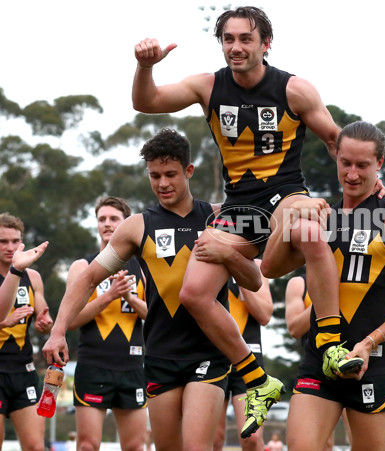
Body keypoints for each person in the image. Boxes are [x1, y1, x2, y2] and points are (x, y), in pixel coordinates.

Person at [132, 9, 371, 435]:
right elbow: (145, 102)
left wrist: (360, 196)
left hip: (285, 197)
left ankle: (332, 344)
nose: (236, 47)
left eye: (246, 39)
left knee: (311, 224)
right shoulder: (207, 86)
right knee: (194, 293)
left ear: (266, 43)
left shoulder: (294, 89)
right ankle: (257, 379)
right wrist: (145, 67)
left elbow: (337, 141)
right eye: (228, 39)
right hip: (239, 209)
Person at [42, 128, 264, 449]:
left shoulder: (218, 217)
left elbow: (254, 281)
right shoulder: (136, 227)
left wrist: (228, 253)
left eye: (171, 174)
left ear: (189, 171)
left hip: (209, 353)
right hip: (160, 355)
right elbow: (88, 278)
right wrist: (58, 331)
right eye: (154, 175)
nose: (162, 184)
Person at [286, 121, 385, 451]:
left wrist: (370, 342)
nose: (352, 174)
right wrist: (290, 211)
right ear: (336, 158)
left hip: (373, 365)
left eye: (363, 165)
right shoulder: (321, 216)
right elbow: (269, 266)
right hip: (320, 360)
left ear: (379, 164)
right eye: (346, 163)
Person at [66, 196, 148, 451]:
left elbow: (158, 318)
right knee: (88, 445)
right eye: (102, 219)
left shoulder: (145, 268)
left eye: (114, 219)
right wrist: (109, 295)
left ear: (126, 224)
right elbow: (70, 320)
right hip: (93, 366)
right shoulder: (82, 266)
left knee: (135, 446)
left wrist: (129, 298)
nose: (107, 224)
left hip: (133, 367)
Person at [0, 213, 52, 451]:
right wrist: (3, 323)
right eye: (3, 241)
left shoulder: (33, 276)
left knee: (35, 446)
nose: (11, 247)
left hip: (24, 371)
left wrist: (45, 322)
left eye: (15, 241)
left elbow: (42, 313)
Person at [285, 273, 352, 450]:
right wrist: (325, 297)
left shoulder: (354, 274)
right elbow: (294, 327)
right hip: (318, 366)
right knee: (323, 443)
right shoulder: (299, 283)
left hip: (352, 363)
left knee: (358, 440)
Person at [213, 259, 273, 451]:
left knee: (252, 438)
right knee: (214, 438)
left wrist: (242, 279)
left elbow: (265, 315)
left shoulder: (256, 266)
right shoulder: (210, 264)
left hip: (249, 361)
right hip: (214, 359)